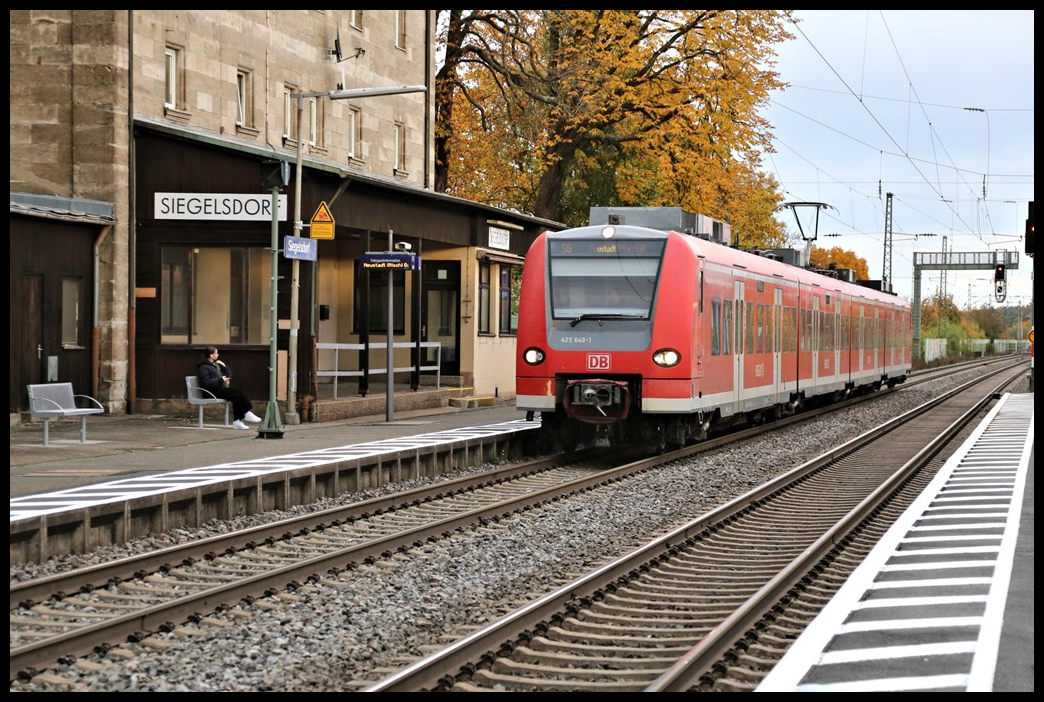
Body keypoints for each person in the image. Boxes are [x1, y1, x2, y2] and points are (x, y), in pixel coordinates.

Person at [197, 346, 262, 430]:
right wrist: (220, 380)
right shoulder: (204, 367)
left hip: (218, 390)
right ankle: (244, 414)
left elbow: (229, 375)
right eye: (216, 353)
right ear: (211, 355)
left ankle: (238, 420)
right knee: (236, 393)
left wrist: (223, 365)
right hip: (210, 392)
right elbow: (204, 383)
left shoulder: (215, 365)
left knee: (238, 393)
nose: (218, 354)